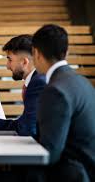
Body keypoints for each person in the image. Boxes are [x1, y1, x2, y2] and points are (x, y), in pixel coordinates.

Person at [32, 24, 95, 181]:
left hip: (71, 174)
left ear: (36, 53)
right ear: (66, 52)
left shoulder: (55, 90)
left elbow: (50, 154)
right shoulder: (83, 82)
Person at [0, 35, 46, 137]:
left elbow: (27, 128)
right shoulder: (36, 80)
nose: (7, 66)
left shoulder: (38, 83)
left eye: (10, 60)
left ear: (24, 62)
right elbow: (25, 123)